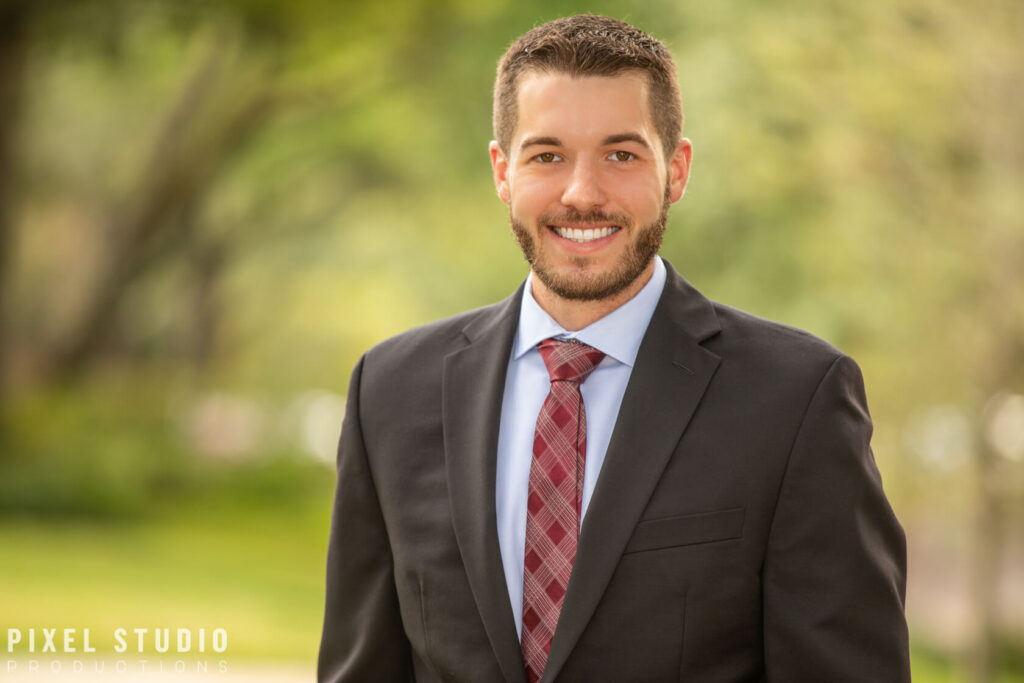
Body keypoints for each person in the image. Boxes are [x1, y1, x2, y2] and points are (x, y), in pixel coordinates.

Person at [318, 14, 910, 683]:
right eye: (547, 155)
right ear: (501, 171)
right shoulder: (390, 394)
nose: (582, 192)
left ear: (676, 170)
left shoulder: (798, 400)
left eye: (621, 154)